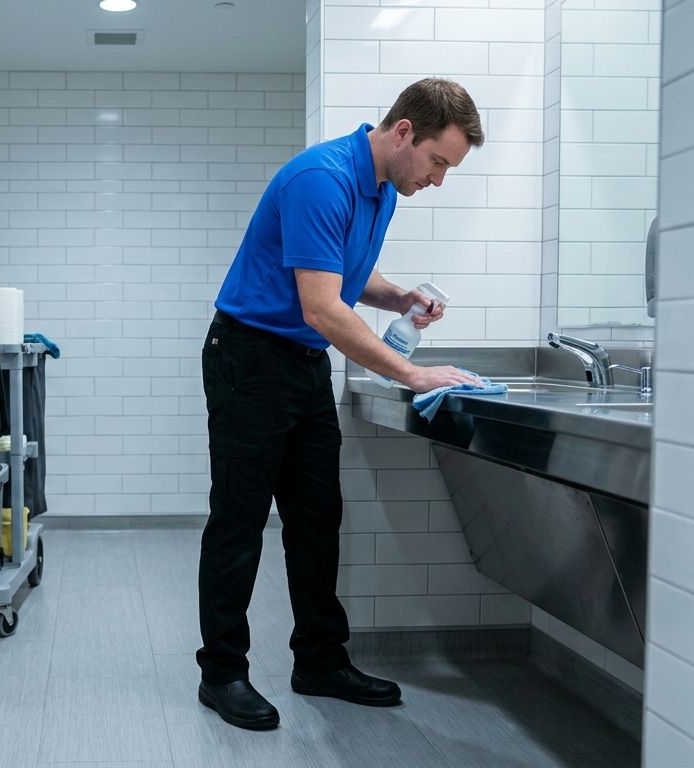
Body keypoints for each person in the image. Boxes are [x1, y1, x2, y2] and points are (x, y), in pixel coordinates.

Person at [196, 78, 486, 731]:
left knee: (317, 519)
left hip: (299, 363)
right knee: (240, 520)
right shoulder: (321, 179)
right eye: (439, 161)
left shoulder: (382, 187)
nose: (439, 179)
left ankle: (319, 662)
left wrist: (400, 298)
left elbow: (346, 275)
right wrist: (412, 373)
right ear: (406, 131)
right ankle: (222, 673)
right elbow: (322, 305)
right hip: (249, 357)